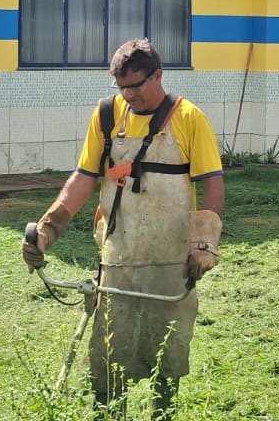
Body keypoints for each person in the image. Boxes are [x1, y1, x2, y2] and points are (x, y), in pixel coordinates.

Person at [22, 38, 225, 418]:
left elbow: (212, 185)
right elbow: (83, 179)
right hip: (119, 258)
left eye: (135, 86)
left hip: (171, 261)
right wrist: (48, 229)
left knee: (168, 351)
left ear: (158, 75)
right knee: (109, 355)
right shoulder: (106, 116)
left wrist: (204, 243)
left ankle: (162, 413)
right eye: (121, 87)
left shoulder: (189, 118)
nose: (128, 95)